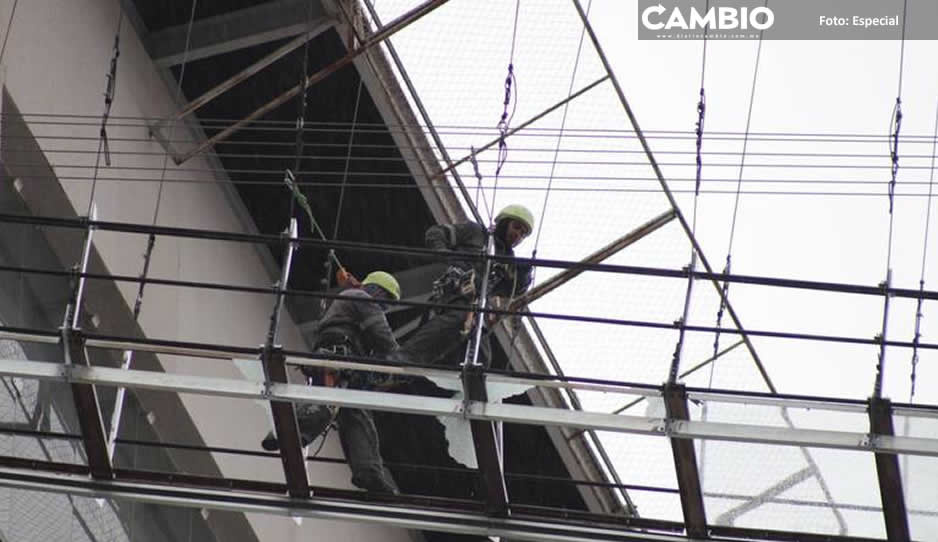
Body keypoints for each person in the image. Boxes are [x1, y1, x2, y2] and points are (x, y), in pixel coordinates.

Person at [262, 271, 402, 495]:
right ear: (377, 291)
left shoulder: (354, 301)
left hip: (344, 363)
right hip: (336, 358)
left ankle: (369, 472)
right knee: (325, 403)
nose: (384, 307)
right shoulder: (360, 298)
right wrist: (400, 360)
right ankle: (284, 432)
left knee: (358, 419)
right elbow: (382, 335)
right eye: (385, 300)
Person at [395, 204, 535, 368]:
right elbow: (436, 233)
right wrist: (448, 256)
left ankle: (469, 382)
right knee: (456, 319)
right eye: (516, 227)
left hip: (476, 308)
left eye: (523, 234)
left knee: (481, 351)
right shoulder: (476, 233)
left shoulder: (508, 263)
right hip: (454, 291)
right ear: (504, 223)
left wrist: (524, 275)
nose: (517, 235)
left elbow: (512, 291)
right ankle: (403, 358)